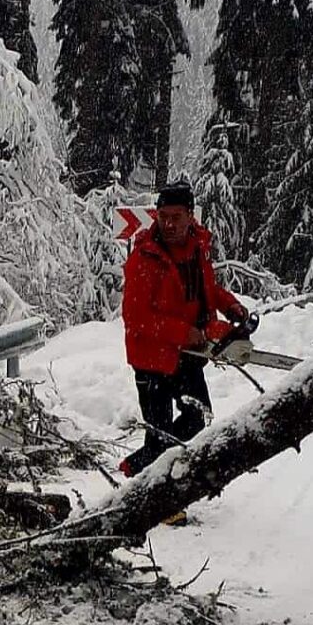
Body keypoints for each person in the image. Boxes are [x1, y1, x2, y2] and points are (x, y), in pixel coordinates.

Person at [119, 182, 247, 513]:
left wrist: (231, 306)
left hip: (187, 355)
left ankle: (138, 469)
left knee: (197, 416)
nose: (169, 223)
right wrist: (183, 332)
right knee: (160, 431)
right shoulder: (145, 257)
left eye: (176, 216)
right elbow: (136, 316)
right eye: (163, 216)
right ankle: (159, 501)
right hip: (152, 359)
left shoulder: (196, 248)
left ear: (191, 216)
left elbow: (205, 287)